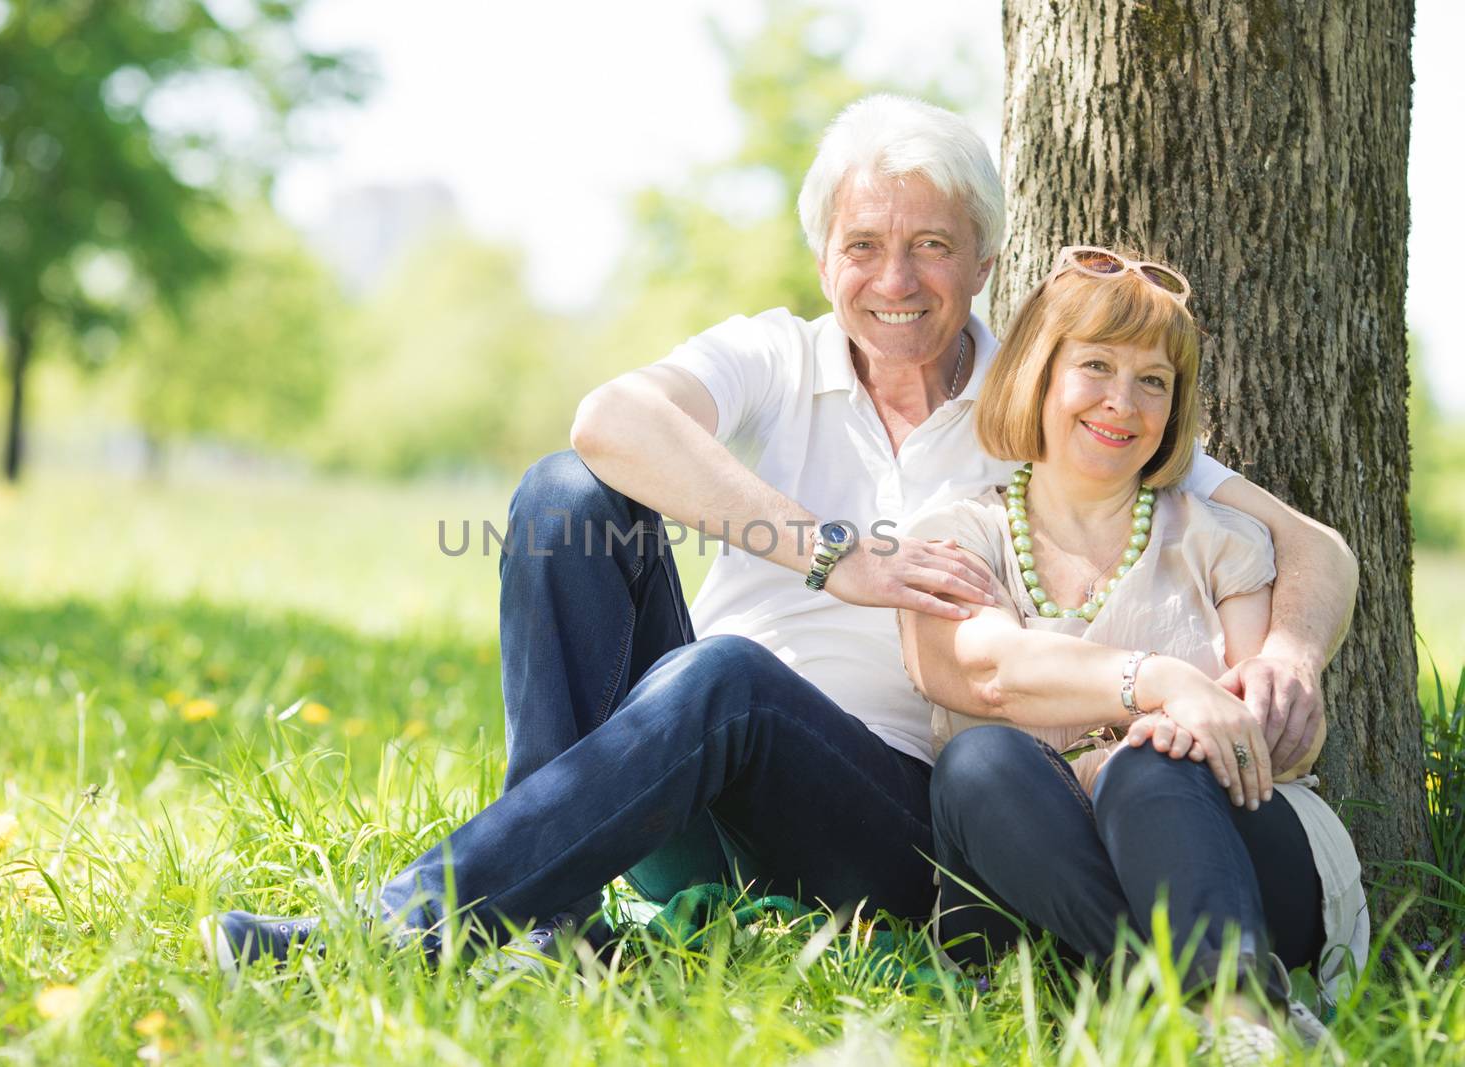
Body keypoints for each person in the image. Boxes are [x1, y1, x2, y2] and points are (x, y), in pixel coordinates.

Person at [200, 96, 1357, 972]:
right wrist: (833, 554)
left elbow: (1312, 545)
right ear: (822, 261)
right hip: (670, 779)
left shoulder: (1047, 394)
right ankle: (545, 905)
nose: (893, 279)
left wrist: (1289, 654)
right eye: (862, 246)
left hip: (894, 823)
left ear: (987, 259)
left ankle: (402, 927)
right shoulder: (771, 354)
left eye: (932, 246)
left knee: (728, 679)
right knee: (569, 497)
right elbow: (610, 420)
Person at [897, 246, 1366, 1057]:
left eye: (1154, 380)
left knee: (1151, 766)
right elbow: (980, 669)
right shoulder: (957, 533)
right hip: (1037, 865)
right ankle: (1204, 1007)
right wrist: (1156, 687)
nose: (1124, 401)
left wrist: (1133, 752)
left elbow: (1251, 735)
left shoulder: (1219, 540)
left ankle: (1236, 1008)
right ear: (1039, 375)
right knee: (978, 764)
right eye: (1097, 366)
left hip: (1233, 862)